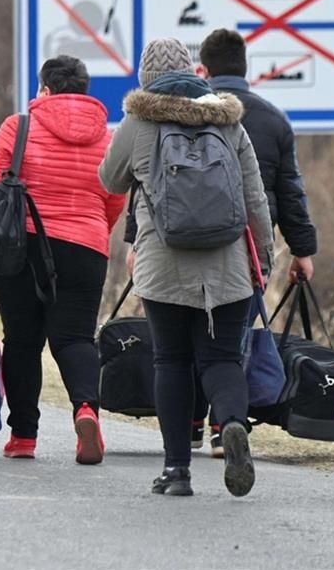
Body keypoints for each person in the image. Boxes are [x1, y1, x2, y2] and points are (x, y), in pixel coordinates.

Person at [99, 37, 274, 497]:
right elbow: (255, 197)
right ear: (193, 72)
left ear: (145, 78)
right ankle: (233, 423)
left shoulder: (138, 121)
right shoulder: (228, 120)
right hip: (228, 266)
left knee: (171, 361)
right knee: (219, 359)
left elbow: (108, 178)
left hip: (163, 264)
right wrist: (266, 259)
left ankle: (177, 471)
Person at [0, 55, 125, 465]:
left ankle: (23, 436)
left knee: (22, 338)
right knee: (75, 337)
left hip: (20, 245)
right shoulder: (108, 137)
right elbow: (116, 195)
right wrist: (92, 231)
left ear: (45, 90)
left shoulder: (19, 127)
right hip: (85, 246)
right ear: (85, 91)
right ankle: (86, 409)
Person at [190, 27, 318, 456]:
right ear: (246, 71)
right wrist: (302, 249)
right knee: (233, 336)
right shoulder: (272, 119)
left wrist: (136, 241)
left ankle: (190, 417)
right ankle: (223, 423)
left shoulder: (187, 113)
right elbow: (291, 192)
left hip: (186, 243)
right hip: (249, 249)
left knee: (185, 329)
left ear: (202, 70)